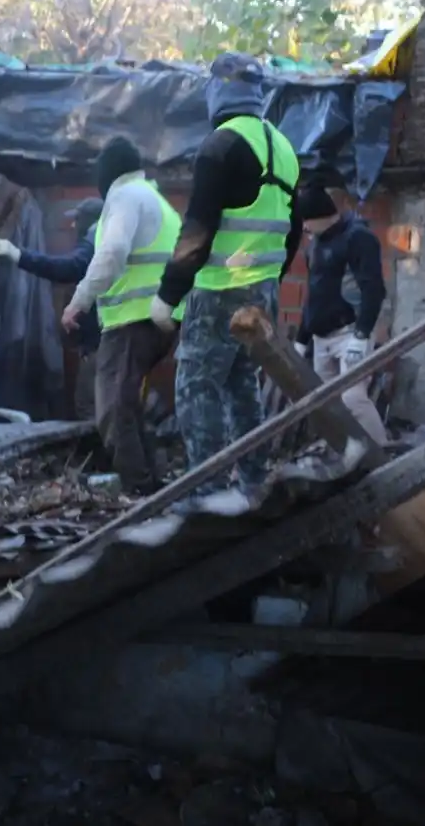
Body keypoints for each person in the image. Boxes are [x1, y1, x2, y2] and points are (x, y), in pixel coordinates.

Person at [149, 52, 303, 516]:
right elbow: (292, 231)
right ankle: (254, 483)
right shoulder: (283, 147)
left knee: (198, 390)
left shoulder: (221, 145)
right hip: (263, 292)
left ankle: (208, 495)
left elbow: (197, 230)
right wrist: (271, 282)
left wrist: (168, 296)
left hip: (219, 291)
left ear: (218, 89)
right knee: (241, 387)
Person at [62, 137, 183, 495]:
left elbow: (112, 252)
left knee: (112, 413)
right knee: (128, 408)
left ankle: (141, 493)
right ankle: (154, 485)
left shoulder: (125, 197)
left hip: (132, 320)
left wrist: (78, 301)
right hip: (161, 318)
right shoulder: (154, 198)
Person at [0, 196, 104, 420]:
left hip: (102, 344)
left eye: (77, 220)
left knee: (91, 408)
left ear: (90, 222)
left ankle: (105, 454)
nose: (72, 226)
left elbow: (66, 268)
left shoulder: (97, 241)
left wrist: (18, 255)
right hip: (99, 343)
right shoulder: (106, 243)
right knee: (97, 406)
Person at [293, 185, 389, 444]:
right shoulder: (315, 245)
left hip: (349, 333)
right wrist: (301, 340)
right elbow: (313, 294)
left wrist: (361, 336)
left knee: (353, 398)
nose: (304, 228)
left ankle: (382, 451)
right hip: (321, 339)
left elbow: (374, 290)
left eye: (305, 221)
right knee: (327, 405)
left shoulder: (358, 238)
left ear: (318, 216)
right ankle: (344, 454)